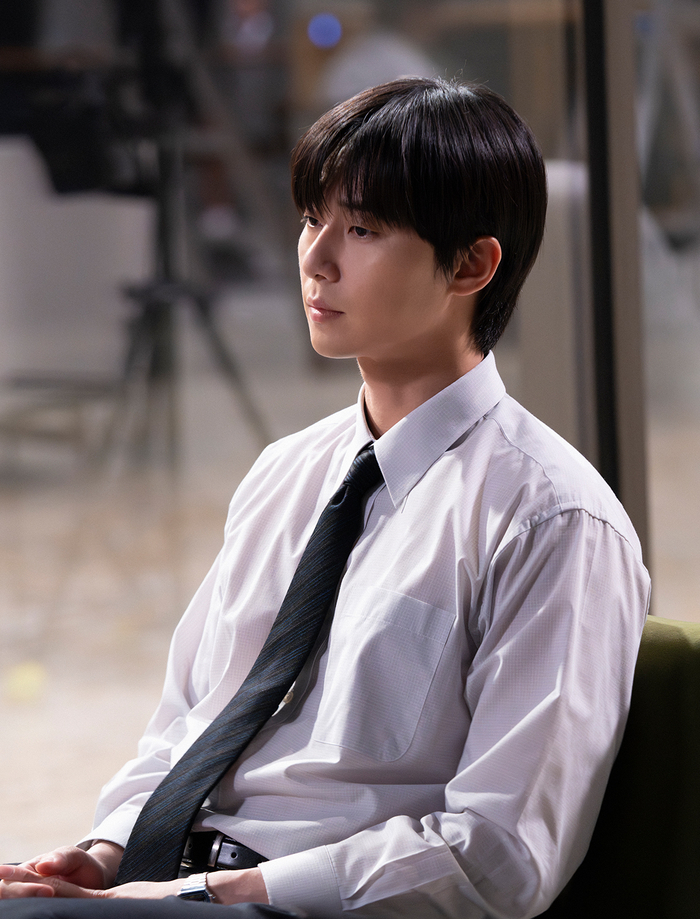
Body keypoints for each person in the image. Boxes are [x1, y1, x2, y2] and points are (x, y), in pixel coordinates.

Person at [0, 77, 650, 918]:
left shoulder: (551, 520)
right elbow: (187, 726)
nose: (315, 258)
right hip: (176, 885)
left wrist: (214, 891)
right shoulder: (287, 473)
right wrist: (105, 854)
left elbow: (501, 853)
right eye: (313, 219)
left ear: (471, 264)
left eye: (363, 229)